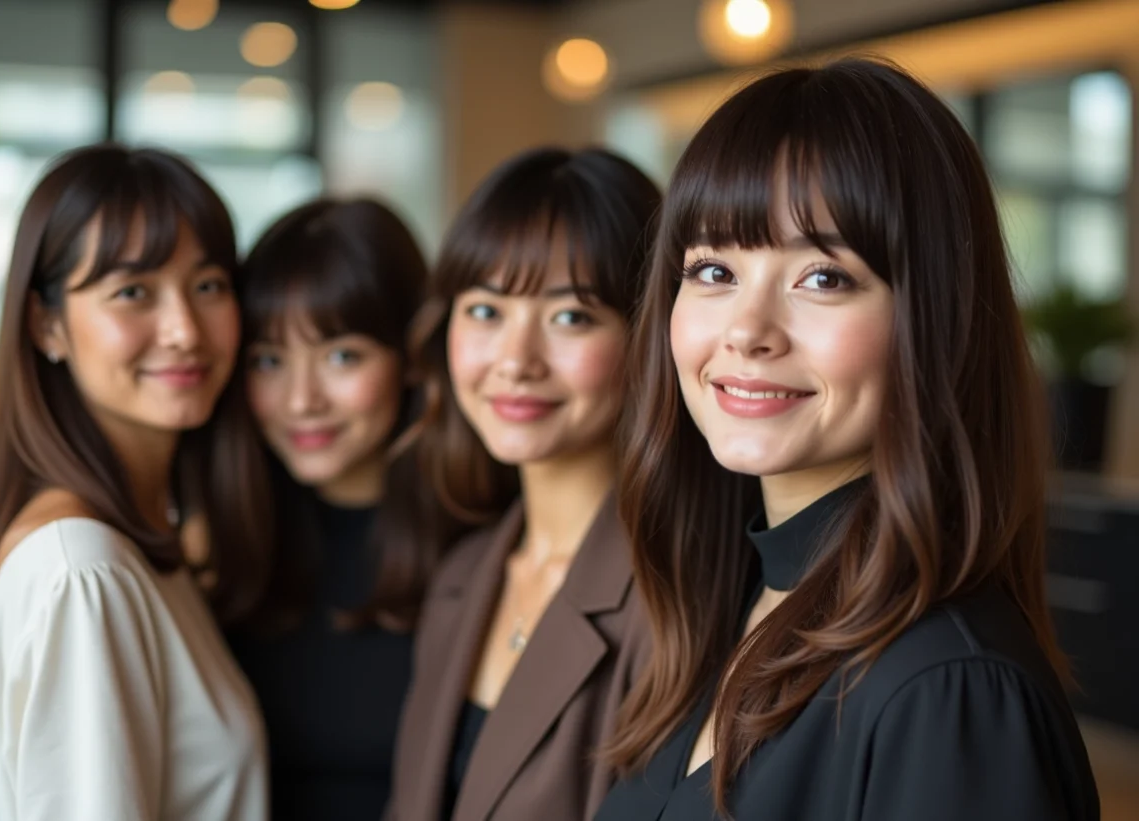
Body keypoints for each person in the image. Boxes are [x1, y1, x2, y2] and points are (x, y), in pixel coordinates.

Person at [593, 58, 1100, 821]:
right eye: (713, 269)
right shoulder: (721, 608)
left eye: (823, 277)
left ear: (936, 319)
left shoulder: (950, 690)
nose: (747, 330)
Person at [0, 144, 274, 821]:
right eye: (133, 292)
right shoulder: (80, 570)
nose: (185, 329)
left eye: (209, 284)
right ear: (47, 325)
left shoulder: (137, 540)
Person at [386, 147, 661, 821]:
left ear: (648, 334)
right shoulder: (463, 573)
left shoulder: (671, 605)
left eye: (571, 316)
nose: (514, 359)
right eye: (485, 310)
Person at [228, 198, 446, 821]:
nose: (301, 400)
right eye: (268, 360)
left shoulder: (482, 551)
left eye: (341, 356)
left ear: (411, 357)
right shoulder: (223, 549)